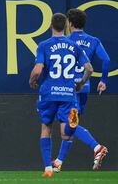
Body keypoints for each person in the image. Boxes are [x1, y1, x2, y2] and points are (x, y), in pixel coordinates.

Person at [29, 13, 93, 177]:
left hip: (49, 93)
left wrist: (32, 80)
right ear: (66, 26)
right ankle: (86, 146)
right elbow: (89, 68)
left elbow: (38, 69)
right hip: (68, 94)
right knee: (67, 131)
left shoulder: (44, 45)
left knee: (46, 128)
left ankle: (48, 169)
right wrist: (80, 83)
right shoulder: (75, 46)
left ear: (51, 26)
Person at [52, 9, 109, 172]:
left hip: (70, 89)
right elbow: (106, 60)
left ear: (69, 23)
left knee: (69, 123)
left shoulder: (66, 41)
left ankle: (97, 147)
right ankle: (59, 161)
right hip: (85, 87)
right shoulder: (93, 40)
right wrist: (103, 81)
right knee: (73, 122)